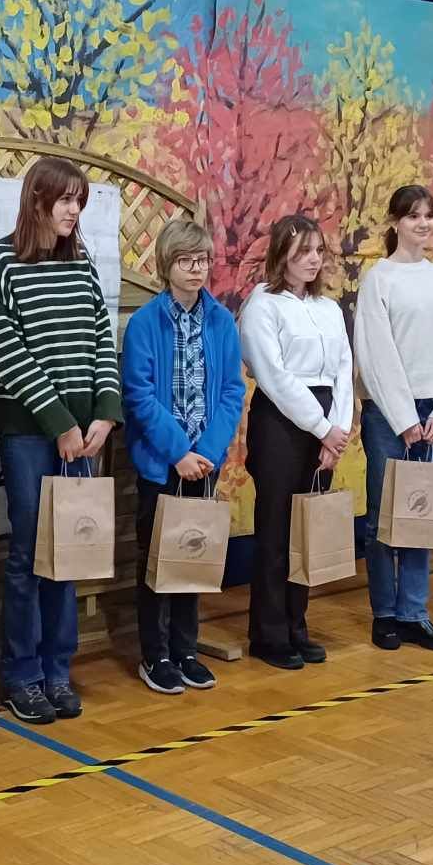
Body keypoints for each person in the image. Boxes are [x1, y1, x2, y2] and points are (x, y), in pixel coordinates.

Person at [0, 157, 122, 724]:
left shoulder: (81, 265)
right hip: (31, 433)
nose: (73, 210)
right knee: (28, 555)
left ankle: (58, 669)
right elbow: (6, 352)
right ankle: (22, 675)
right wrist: (59, 422)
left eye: (80, 201)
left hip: (83, 436)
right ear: (37, 200)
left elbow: (101, 338)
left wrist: (104, 414)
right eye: (65, 199)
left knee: (67, 552)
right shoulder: (0, 261)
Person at [121, 218, 246, 694]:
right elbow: (139, 395)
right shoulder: (145, 323)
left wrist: (207, 451)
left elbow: (232, 391)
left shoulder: (221, 321)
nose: (196, 269)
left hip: (205, 463)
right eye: (186, 261)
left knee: (194, 554)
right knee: (157, 559)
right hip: (163, 463)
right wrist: (178, 452)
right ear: (166, 265)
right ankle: (155, 655)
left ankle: (186, 649)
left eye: (203, 260)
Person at [351, 185, 433, 653]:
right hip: (389, 414)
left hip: (432, 412)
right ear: (395, 222)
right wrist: (402, 418)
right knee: (384, 515)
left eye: (428, 215)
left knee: (421, 513)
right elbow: (376, 354)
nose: (422, 224)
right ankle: (385, 612)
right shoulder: (379, 279)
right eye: (413, 216)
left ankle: (415, 612)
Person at [239, 214, 352, 669]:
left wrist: (337, 430)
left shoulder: (329, 308)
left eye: (318, 251)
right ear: (281, 253)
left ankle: (296, 626)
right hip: (281, 422)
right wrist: (322, 427)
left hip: (325, 423)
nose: (312, 259)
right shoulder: (263, 304)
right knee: (276, 530)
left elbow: (343, 369)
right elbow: (275, 376)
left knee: (307, 526)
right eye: (303, 250)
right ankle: (269, 634)